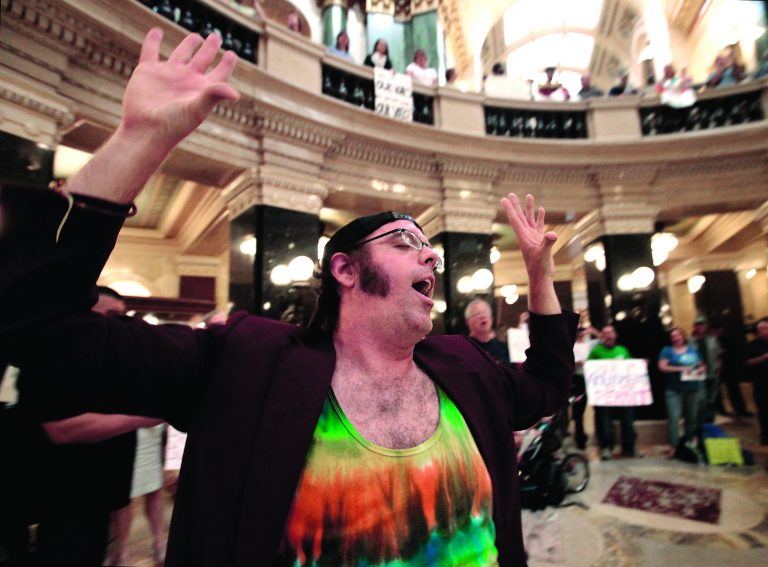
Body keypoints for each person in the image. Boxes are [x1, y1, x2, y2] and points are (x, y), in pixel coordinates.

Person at [0, 29, 577, 566]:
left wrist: (539, 273)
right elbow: (37, 322)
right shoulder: (246, 363)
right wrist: (140, 139)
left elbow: (549, 386)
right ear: (345, 269)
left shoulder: (464, 366)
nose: (432, 257)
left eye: (432, 249)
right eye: (405, 243)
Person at [0, 287, 159, 566]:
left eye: (122, 317)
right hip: (65, 499)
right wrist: (150, 415)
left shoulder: (99, 361)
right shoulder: (50, 358)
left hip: (96, 498)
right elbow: (61, 429)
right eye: (110, 315)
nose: (118, 325)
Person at [587, 325, 638, 460]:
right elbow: (589, 370)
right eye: (605, 334)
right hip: (604, 395)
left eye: (611, 333)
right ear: (602, 337)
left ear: (615, 335)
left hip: (623, 393)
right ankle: (606, 448)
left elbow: (632, 368)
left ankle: (630, 447)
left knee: (627, 421)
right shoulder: (596, 352)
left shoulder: (623, 350)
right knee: (605, 422)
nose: (608, 336)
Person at [658, 327, 706, 457]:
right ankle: (674, 446)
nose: (675, 337)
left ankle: (689, 443)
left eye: (678, 335)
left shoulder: (693, 350)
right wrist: (681, 369)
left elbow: (701, 364)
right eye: (673, 336)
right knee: (674, 418)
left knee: (691, 417)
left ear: (683, 336)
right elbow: (662, 367)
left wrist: (701, 369)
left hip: (693, 387)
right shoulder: (666, 351)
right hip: (674, 389)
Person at [690, 316, 722, 424]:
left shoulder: (713, 339)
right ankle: (700, 423)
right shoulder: (690, 342)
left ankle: (709, 422)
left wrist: (718, 367)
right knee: (700, 399)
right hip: (696, 374)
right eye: (698, 325)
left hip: (712, 373)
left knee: (711, 399)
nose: (700, 327)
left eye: (702, 325)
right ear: (695, 327)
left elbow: (718, 356)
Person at [464, 298, 511, 366]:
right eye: (477, 313)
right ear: (468, 322)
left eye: (486, 312)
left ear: (491, 319)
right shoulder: (464, 349)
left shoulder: (503, 348)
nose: (483, 316)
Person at [745, 318, 768, 445]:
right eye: (764, 329)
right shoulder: (752, 345)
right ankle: (765, 435)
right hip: (761, 382)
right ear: (759, 331)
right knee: (764, 410)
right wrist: (764, 357)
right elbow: (747, 362)